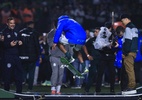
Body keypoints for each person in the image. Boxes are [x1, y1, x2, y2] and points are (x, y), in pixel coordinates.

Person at [47, 23, 71, 95]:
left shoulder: (65, 33)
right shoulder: (52, 33)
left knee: (61, 73)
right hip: (54, 56)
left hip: (63, 57)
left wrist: (69, 54)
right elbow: (50, 44)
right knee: (55, 73)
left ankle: (58, 89)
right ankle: (53, 88)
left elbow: (68, 45)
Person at [94, 22, 117, 94]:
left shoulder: (112, 34)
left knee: (110, 73)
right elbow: (102, 44)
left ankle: (111, 89)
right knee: (102, 73)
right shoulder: (105, 32)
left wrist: (113, 37)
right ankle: (98, 89)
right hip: (104, 55)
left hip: (110, 56)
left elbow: (115, 45)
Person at [2, 17, 23, 93]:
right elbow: (2, 44)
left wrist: (20, 42)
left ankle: (19, 92)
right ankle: (6, 92)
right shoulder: (3, 32)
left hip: (16, 56)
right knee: (8, 75)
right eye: (11, 23)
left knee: (19, 74)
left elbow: (19, 40)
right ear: (7, 24)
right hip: (8, 56)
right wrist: (9, 44)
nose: (12, 24)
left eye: (13, 23)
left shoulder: (16, 31)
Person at [19, 21, 40, 91]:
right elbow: (37, 45)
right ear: (32, 25)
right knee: (31, 72)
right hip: (31, 56)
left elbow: (18, 44)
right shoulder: (34, 33)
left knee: (22, 71)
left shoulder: (20, 32)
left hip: (22, 56)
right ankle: (30, 88)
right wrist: (38, 55)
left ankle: (21, 85)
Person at [120, 14, 138, 94]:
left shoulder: (128, 28)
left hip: (129, 52)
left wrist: (124, 52)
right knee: (131, 69)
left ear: (126, 19)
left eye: (122, 20)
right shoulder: (134, 28)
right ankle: (131, 85)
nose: (122, 22)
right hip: (133, 51)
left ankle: (131, 86)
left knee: (129, 70)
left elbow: (127, 41)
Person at [84, 27, 101, 93]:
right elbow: (84, 46)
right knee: (92, 73)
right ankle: (87, 88)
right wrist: (88, 55)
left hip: (101, 59)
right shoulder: (91, 40)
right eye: (94, 31)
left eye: (96, 32)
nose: (95, 33)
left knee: (99, 74)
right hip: (93, 59)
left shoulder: (103, 40)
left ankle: (98, 89)